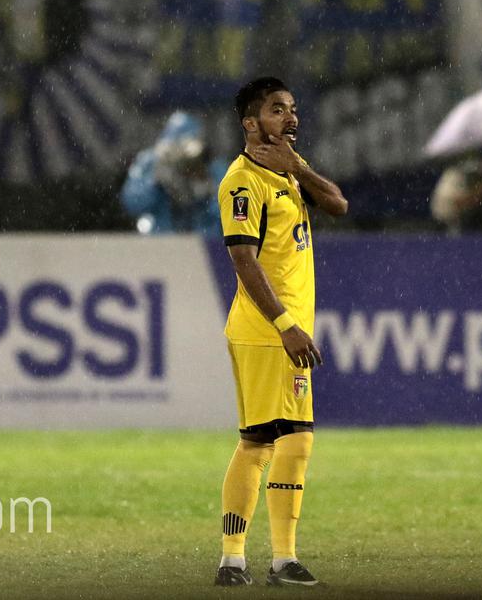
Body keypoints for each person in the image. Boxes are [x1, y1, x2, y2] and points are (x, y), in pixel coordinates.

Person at [213, 76, 347, 587]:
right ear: (251, 123)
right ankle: (277, 559)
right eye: (276, 110)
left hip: (278, 330)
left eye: (292, 109)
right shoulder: (242, 181)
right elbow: (244, 260)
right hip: (268, 330)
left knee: (264, 442)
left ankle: (236, 561)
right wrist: (287, 324)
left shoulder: (290, 171)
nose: (290, 118)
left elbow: (337, 203)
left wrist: (298, 170)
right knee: (287, 440)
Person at [120, 111, 224, 235]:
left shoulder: (212, 167)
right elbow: (132, 203)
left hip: (205, 242)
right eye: (176, 145)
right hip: (161, 240)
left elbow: (238, 214)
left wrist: (210, 194)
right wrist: (155, 183)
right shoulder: (150, 162)